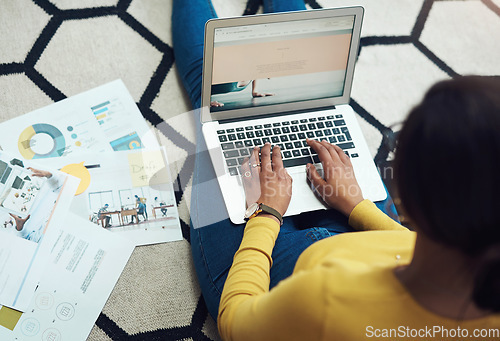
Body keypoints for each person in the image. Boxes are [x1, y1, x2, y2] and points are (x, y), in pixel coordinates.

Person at [173, 2, 500, 340]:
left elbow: (236, 322)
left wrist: (265, 211)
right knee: (306, 103)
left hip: (282, 270)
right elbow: (428, 251)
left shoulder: (329, 300)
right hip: (369, 239)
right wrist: (359, 205)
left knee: (210, 96)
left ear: (414, 199)